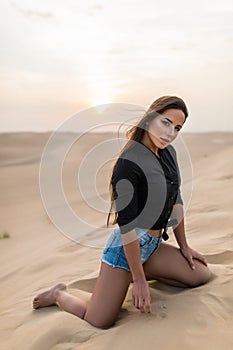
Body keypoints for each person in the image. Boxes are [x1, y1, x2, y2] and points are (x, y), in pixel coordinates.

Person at [33, 96, 211, 328]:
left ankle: (138, 273)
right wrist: (137, 280)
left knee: (200, 275)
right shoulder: (129, 164)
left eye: (177, 128)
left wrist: (184, 246)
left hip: (153, 247)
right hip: (126, 250)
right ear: (150, 119)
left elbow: (175, 199)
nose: (170, 133)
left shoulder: (168, 154)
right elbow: (127, 228)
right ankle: (58, 294)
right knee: (98, 320)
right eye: (166, 123)